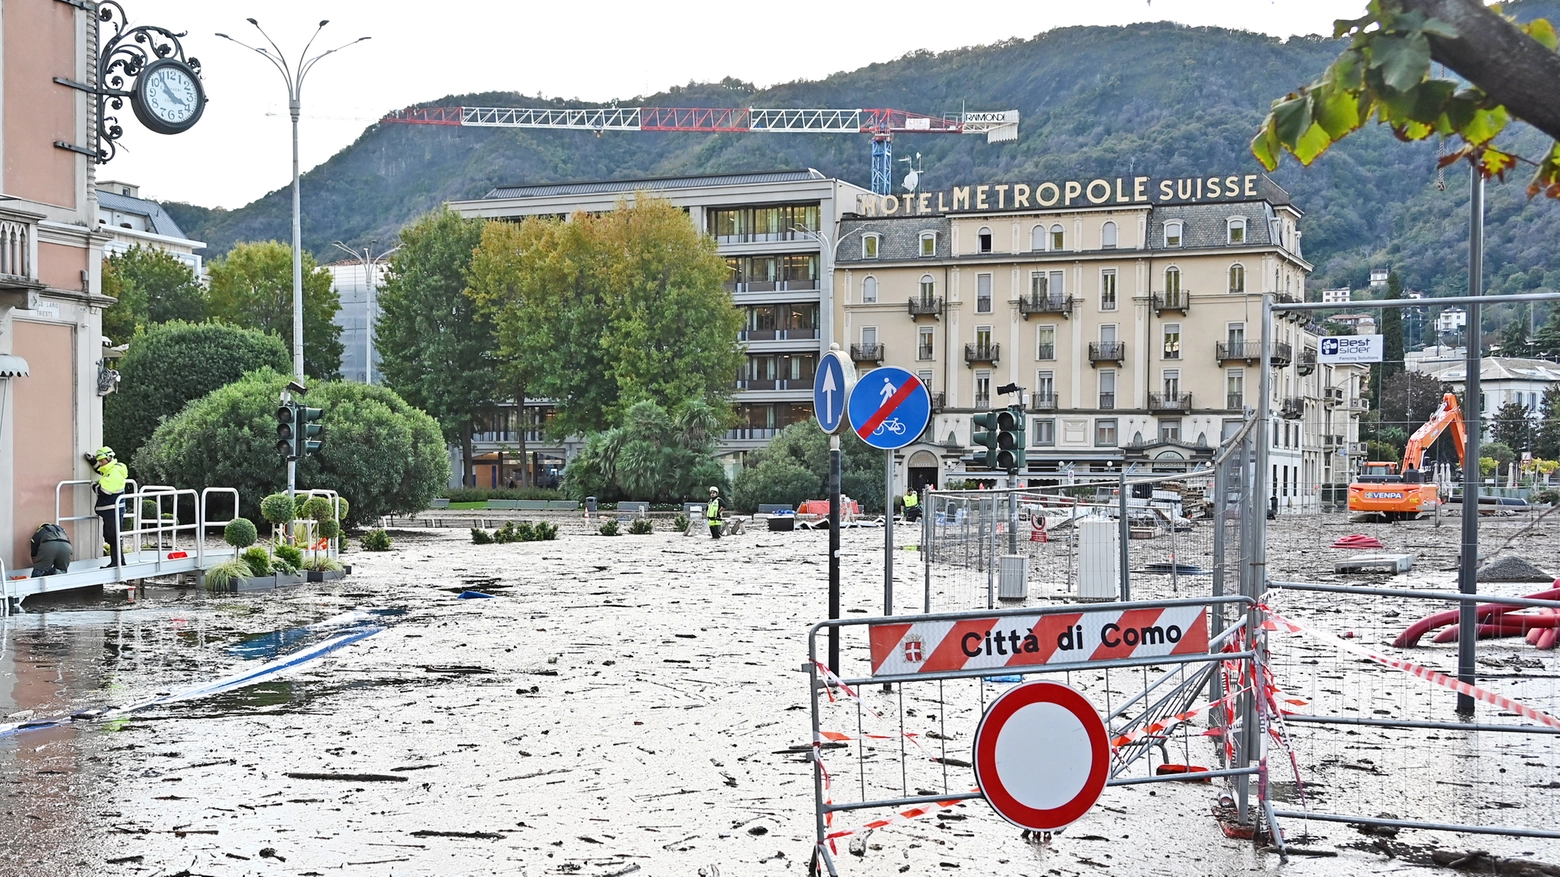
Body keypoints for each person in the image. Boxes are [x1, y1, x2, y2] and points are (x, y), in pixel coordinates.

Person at [86, 446, 128, 567]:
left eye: (101, 460)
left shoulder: (114, 472)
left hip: (112, 510)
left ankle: (117, 562)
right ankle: (118, 562)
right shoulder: (113, 469)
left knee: (113, 536)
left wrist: (93, 486)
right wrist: (92, 461)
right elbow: (101, 470)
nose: (100, 463)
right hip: (112, 510)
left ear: (109, 458)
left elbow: (104, 491)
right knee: (112, 535)